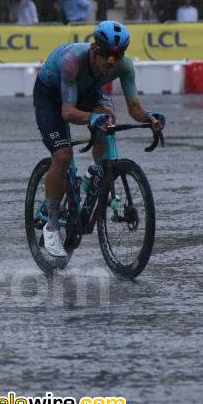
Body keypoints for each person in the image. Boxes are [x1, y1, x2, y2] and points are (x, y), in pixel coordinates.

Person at [33, 21, 166, 257]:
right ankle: (51, 225)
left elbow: (133, 107)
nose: (111, 62)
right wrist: (90, 117)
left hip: (86, 88)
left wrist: (148, 117)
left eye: (118, 55)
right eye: (106, 55)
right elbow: (68, 113)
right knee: (63, 156)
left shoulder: (123, 66)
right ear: (94, 49)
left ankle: (98, 171)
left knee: (107, 118)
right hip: (52, 96)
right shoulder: (73, 62)